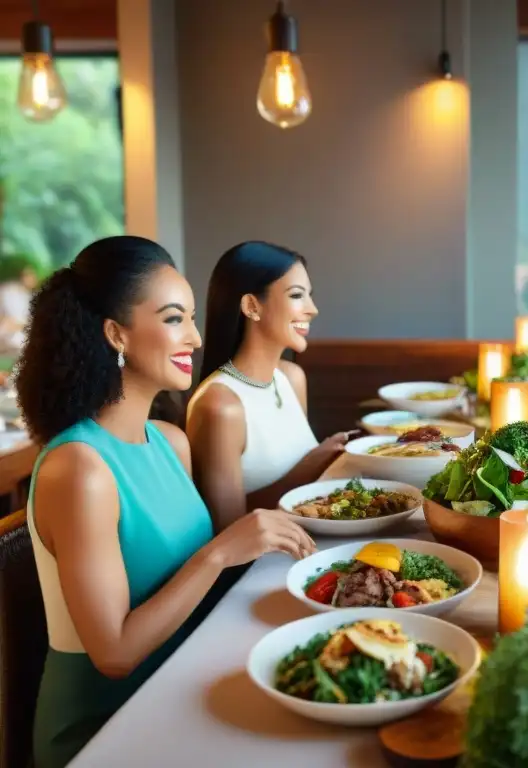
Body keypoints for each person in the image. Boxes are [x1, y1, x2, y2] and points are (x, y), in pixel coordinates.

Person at [15, 236, 317, 768]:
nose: (196, 338)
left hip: (182, 682)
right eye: (175, 319)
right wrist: (221, 551)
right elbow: (114, 654)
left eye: (193, 318)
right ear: (116, 334)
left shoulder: (170, 442)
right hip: (107, 727)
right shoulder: (78, 469)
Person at [186, 242, 348, 533]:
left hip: (312, 535)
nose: (312, 309)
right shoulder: (219, 406)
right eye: (297, 295)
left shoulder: (291, 378)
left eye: (309, 296)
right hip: (261, 564)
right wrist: (313, 463)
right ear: (251, 306)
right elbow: (229, 529)